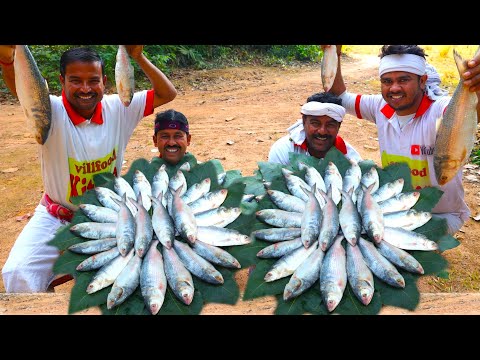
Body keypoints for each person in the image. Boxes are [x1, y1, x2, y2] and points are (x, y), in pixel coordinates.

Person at [0, 45, 177, 293]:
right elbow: (24, 91)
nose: (85, 88)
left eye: (93, 80)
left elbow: (167, 93)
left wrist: (137, 56)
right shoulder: (50, 111)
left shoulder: (120, 107)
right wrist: (8, 62)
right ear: (61, 81)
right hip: (56, 215)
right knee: (18, 273)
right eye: (75, 80)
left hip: (110, 216)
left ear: (105, 81)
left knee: (140, 275)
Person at [326, 44, 480, 235]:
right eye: (387, 81)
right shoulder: (380, 107)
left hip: (441, 215)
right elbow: (339, 96)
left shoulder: (438, 110)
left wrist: (475, 88)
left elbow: (466, 114)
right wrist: (334, 52)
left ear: (422, 81)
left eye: (404, 80)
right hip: (398, 210)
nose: (394, 88)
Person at [268, 92, 362, 165]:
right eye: (315, 123)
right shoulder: (284, 150)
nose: (322, 131)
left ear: (339, 126)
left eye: (330, 125)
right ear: (304, 121)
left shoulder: (351, 159)